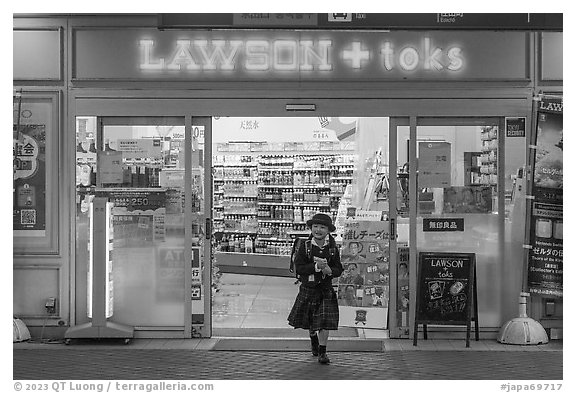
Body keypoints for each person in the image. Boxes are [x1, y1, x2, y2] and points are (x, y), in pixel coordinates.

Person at [287, 213, 343, 364]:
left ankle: (322, 352)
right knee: (311, 322)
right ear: (311, 228)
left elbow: (339, 268)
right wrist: (316, 267)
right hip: (308, 288)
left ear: (328, 230)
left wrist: (330, 271)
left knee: (324, 322)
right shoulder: (304, 247)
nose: (318, 230)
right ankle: (313, 339)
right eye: (315, 226)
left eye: (322, 227)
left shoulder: (333, 249)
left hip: (325, 290)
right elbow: (299, 268)